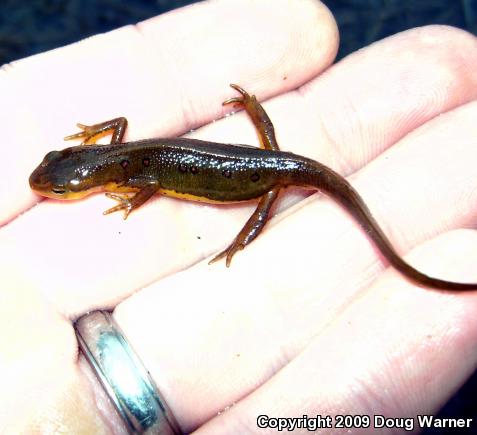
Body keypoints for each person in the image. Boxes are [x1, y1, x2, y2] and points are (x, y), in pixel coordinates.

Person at [2, 0, 477, 433]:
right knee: (272, 161)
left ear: (85, 177)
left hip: (259, 180)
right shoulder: (119, 154)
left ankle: (244, 239)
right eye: (60, 183)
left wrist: (232, 235)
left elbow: (145, 178)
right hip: (262, 166)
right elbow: (122, 130)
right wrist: (252, 112)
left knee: (269, 182)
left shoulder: (129, 171)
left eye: (60, 185)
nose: (54, 188)